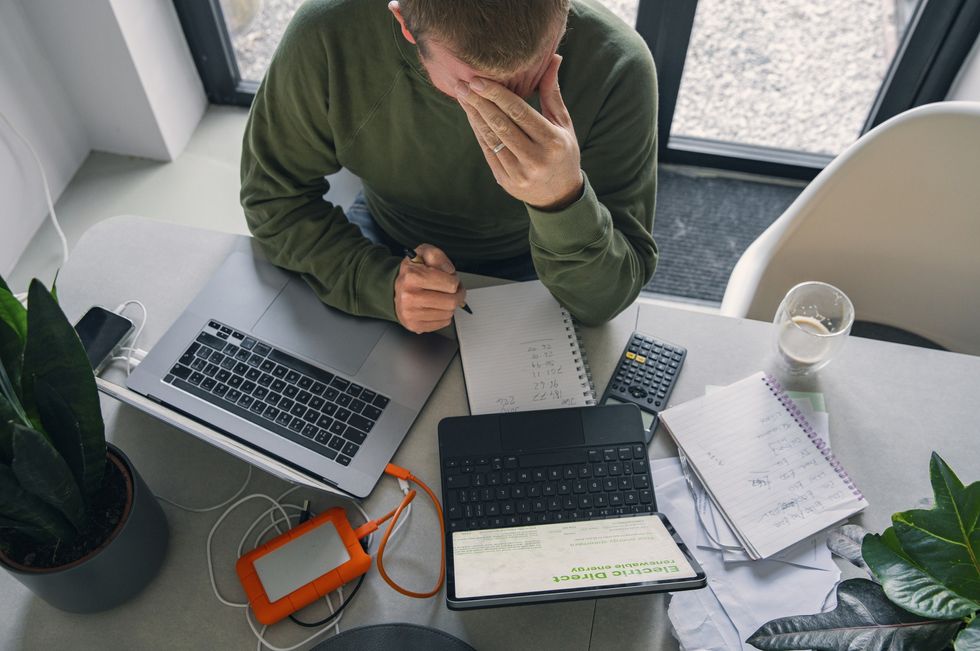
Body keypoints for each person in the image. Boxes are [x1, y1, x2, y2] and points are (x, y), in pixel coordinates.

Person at [241, 0, 658, 333]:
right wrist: (378, 284)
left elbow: (605, 301)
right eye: (471, 86)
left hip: (539, 263)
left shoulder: (619, 65)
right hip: (384, 239)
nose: (503, 105)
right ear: (405, 25)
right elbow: (272, 197)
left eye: (530, 72)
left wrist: (563, 199)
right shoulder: (328, 34)